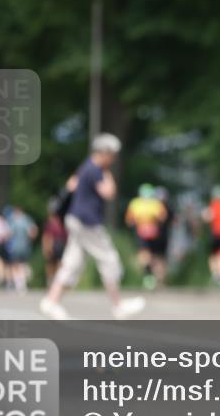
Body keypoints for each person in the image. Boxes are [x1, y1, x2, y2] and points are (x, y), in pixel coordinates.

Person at [39, 133, 145, 321]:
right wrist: (107, 173)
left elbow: (70, 185)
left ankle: (51, 300)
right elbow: (109, 192)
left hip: (76, 219)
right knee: (108, 258)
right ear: (104, 152)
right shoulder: (96, 170)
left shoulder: (85, 167)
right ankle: (118, 305)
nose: (113, 159)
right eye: (112, 155)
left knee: (73, 262)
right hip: (87, 221)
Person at [125, 183, 168, 289]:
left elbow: (129, 220)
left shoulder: (136, 203)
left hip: (145, 233)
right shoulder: (155, 203)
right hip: (150, 234)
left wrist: (139, 221)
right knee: (150, 257)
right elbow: (163, 217)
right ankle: (152, 277)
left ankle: (149, 276)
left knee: (146, 256)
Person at [5, 205, 38, 294]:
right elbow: (33, 231)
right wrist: (31, 240)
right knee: (23, 264)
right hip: (25, 245)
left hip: (15, 246)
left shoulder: (13, 220)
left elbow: (9, 233)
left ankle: (17, 283)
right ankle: (21, 283)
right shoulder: (27, 219)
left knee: (15, 264)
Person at [41, 197, 68, 286]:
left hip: (55, 243)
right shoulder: (62, 222)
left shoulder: (52, 222)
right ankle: (55, 281)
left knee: (52, 264)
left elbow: (46, 236)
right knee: (56, 263)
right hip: (59, 243)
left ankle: (53, 281)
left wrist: (46, 247)